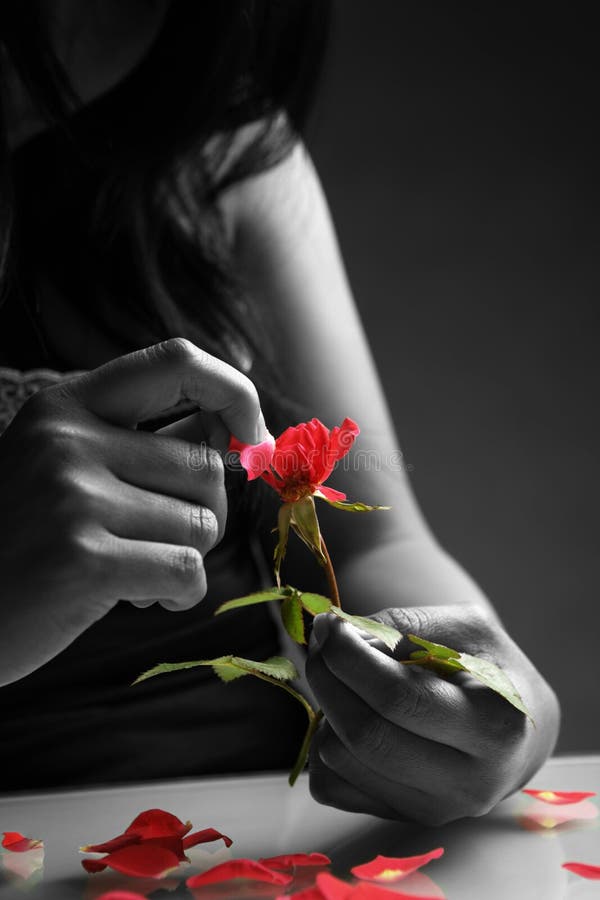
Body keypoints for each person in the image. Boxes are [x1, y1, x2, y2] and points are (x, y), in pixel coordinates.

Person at [0, 0, 559, 823]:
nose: (60, 26)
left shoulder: (215, 165)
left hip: (248, 824)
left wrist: (506, 712)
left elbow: (378, 542)